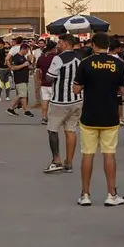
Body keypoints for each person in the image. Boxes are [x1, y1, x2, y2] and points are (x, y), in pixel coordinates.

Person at [73, 32, 124, 206]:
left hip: (89, 115)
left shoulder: (85, 63)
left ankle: (85, 194)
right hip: (110, 115)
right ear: (108, 46)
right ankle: (111, 194)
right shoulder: (118, 63)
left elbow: (76, 89)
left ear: (94, 46)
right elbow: (123, 91)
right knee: (109, 154)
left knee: (87, 154)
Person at [45, 36, 83, 173]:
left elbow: (49, 77)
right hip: (77, 99)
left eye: (60, 43)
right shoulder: (80, 58)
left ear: (66, 44)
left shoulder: (59, 58)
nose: (58, 45)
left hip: (60, 101)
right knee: (70, 130)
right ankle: (69, 163)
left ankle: (56, 160)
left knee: (52, 129)